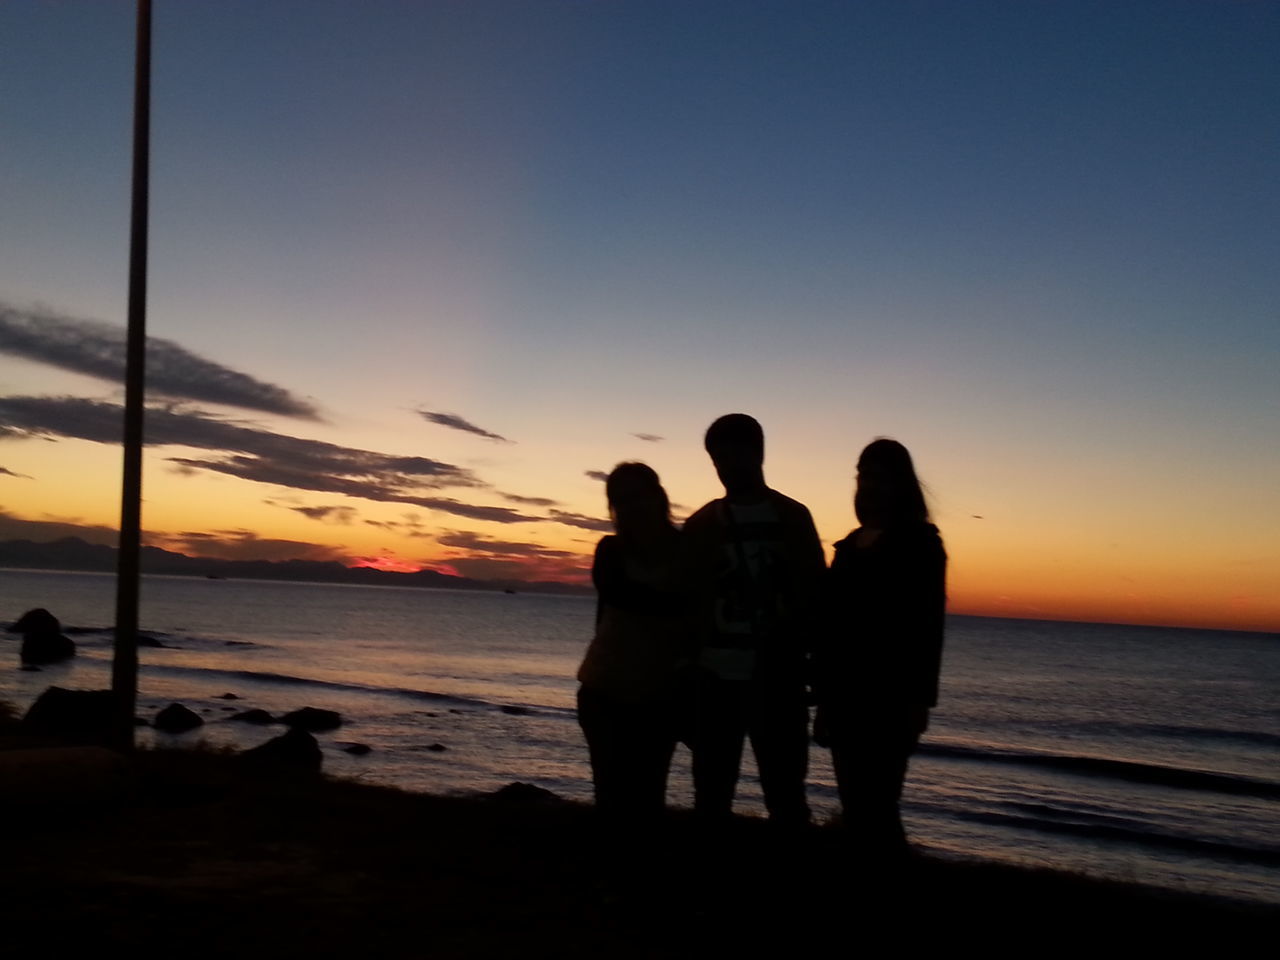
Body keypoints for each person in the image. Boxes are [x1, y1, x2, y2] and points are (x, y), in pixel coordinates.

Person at [683, 414, 825, 826]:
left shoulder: (793, 517)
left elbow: (815, 598)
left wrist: (815, 670)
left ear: (758, 454)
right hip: (714, 680)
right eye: (718, 461)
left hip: (778, 678)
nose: (726, 469)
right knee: (710, 793)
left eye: (733, 457)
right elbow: (688, 603)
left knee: (785, 795)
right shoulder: (702, 524)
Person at [815, 437, 947, 855]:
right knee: (856, 805)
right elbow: (830, 624)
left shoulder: (922, 545)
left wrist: (918, 703)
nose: (868, 484)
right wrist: (821, 693)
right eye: (862, 475)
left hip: (889, 699)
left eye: (878, 475)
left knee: (879, 807)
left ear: (900, 482)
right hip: (843, 694)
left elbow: (927, 628)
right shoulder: (849, 546)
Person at [577, 462, 698, 824]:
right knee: (610, 796)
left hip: (659, 696)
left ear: (658, 496)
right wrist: (678, 604)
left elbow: (693, 612)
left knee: (649, 798)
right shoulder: (610, 551)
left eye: (638, 496)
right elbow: (623, 596)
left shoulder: (687, 549)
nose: (631, 506)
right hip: (604, 689)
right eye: (621, 500)